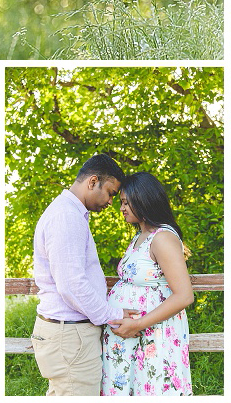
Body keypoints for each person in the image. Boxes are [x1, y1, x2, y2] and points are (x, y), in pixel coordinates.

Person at [32, 153, 132, 396]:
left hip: (68, 334)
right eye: (109, 192)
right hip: (70, 336)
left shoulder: (68, 213)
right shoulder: (66, 216)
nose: (110, 202)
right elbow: (72, 285)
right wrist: (113, 316)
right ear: (92, 181)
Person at [101, 172, 193, 395]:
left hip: (152, 335)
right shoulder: (141, 235)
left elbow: (184, 295)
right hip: (131, 337)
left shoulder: (162, 238)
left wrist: (139, 324)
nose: (121, 208)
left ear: (143, 199)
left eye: (125, 202)